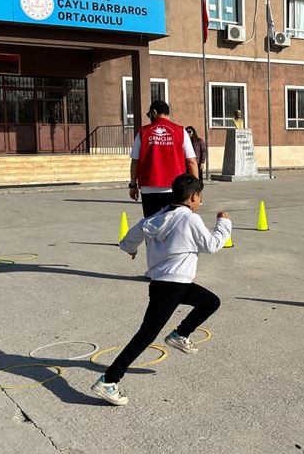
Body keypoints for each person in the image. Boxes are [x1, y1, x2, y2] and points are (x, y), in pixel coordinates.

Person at [91, 174, 231, 406]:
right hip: (172, 287)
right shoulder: (189, 219)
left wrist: (129, 248)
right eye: (200, 197)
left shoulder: (157, 216)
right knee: (146, 335)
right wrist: (224, 223)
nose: (200, 201)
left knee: (210, 302)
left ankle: (180, 334)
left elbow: (134, 234)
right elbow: (212, 245)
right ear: (194, 197)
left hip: (170, 283)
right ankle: (108, 380)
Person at [129, 100, 199, 217]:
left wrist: (133, 185)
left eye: (149, 115)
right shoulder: (180, 131)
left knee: (151, 225)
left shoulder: (143, 132)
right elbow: (191, 161)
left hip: (148, 186)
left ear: (154, 113)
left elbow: (135, 161)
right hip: (175, 188)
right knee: (174, 225)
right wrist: (196, 189)